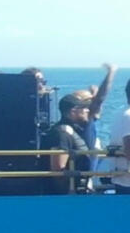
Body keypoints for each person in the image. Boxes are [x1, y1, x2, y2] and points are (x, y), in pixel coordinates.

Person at [44, 65, 116, 193]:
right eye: (85, 105)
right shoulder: (62, 132)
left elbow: (98, 103)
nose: (88, 109)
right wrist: (111, 72)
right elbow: (58, 170)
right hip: (70, 191)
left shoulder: (84, 125)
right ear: (73, 111)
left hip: (84, 182)